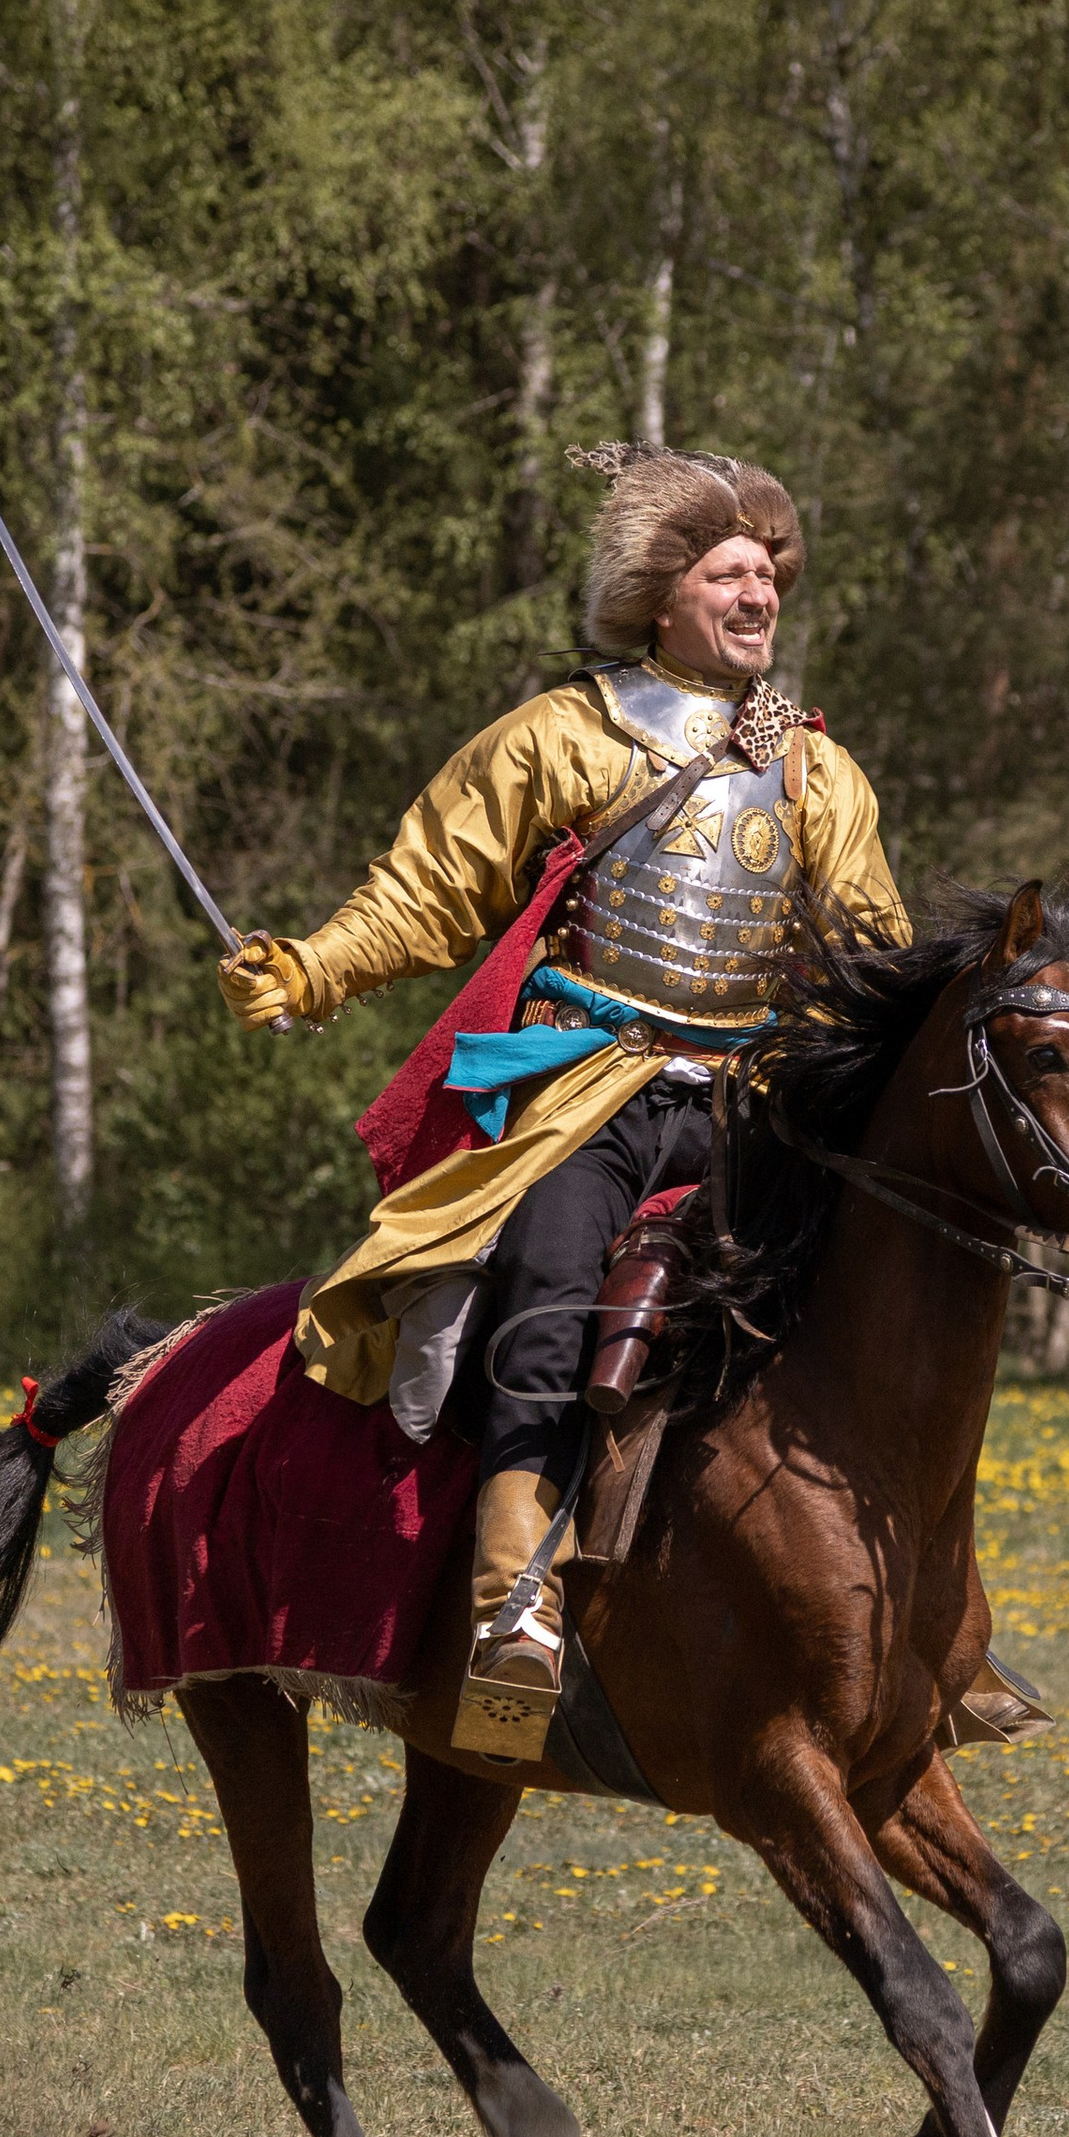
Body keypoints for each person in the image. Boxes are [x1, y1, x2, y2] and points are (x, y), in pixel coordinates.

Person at [217, 443, 906, 1760]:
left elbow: (871, 958)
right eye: (729, 574)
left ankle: (903, 1615)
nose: (760, 597)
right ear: (661, 594)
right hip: (581, 1091)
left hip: (742, 1105)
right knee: (548, 1284)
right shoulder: (565, 734)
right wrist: (310, 970)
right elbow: (427, 890)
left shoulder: (820, 776)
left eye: (769, 575)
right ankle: (508, 1614)